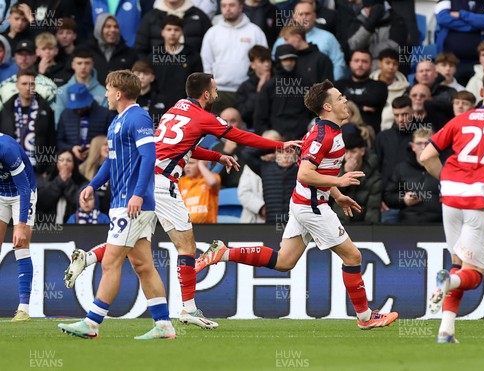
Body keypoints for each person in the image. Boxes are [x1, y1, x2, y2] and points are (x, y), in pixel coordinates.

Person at [63, 72, 302, 329]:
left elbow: (179, 146)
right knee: (186, 247)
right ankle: (187, 308)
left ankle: (90, 260)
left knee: (137, 248)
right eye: (215, 89)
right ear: (206, 94)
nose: (218, 94)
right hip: (163, 184)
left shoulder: (176, 108)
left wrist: (215, 156)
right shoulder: (203, 117)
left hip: (149, 181)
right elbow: (239, 136)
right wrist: (279, 145)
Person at [195, 79, 399, 330]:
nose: (345, 100)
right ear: (327, 106)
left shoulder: (327, 131)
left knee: (284, 261)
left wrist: (336, 194)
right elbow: (304, 173)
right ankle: (366, 317)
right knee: (353, 256)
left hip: (305, 202)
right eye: (339, 98)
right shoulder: (323, 135)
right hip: (312, 207)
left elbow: (317, 171)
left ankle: (222, 253)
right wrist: (340, 181)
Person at [58, 70, 177, 340]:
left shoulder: (138, 117)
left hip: (132, 204)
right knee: (144, 265)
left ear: (119, 93)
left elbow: (149, 156)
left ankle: (92, 322)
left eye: (109, 89)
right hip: (122, 202)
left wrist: (137, 194)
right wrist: (91, 185)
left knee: (111, 262)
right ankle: (164, 325)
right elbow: (112, 162)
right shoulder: (116, 122)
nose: (106, 94)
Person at [420, 68, 484, 343]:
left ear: (481, 92)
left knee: (457, 263)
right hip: (480, 198)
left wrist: (447, 180)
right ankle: (448, 283)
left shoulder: (461, 119)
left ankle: (446, 330)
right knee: (474, 275)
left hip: (451, 196)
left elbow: (426, 156)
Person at [0, 133, 37, 322]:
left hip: (23, 193)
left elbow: (24, 188)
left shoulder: (7, 149)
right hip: (0, 194)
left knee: (20, 246)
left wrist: (20, 225)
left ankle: (24, 309)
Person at [0, 69, 55, 174]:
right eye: (24, 84)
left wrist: (49, 169)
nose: (28, 88)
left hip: (37, 169)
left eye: (32, 84)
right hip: (11, 168)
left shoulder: (45, 109)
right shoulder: (6, 110)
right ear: (17, 85)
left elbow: (52, 139)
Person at [383, 128, 441, 224]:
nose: (423, 147)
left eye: (427, 143)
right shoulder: (401, 169)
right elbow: (388, 196)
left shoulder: (443, 167)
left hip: (439, 223)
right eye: (419, 143)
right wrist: (403, 200)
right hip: (409, 224)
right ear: (413, 146)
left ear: (434, 145)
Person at [332, 132, 381, 224]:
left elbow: (373, 209)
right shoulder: (336, 169)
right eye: (346, 152)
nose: (349, 156)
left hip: (364, 225)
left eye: (353, 152)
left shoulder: (373, 175)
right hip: (340, 223)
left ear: (362, 151)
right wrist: (345, 173)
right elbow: (332, 196)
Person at [36, 149, 87, 224]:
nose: (65, 163)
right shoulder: (46, 180)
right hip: (48, 228)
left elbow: (80, 203)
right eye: (61, 160)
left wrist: (68, 183)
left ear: (74, 164)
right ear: (56, 163)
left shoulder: (82, 182)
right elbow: (41, 202)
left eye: (69, 160)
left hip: (74, 228)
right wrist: (60, 181)